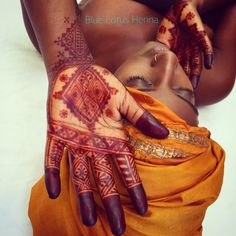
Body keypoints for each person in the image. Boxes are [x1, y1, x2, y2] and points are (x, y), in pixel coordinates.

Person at [20, 0, 235, 235]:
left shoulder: (72, 36)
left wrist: (67, 60)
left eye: (140, 84)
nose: (169, 61)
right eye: (184, 95)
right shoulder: (212, 74)